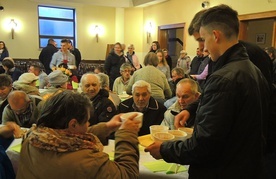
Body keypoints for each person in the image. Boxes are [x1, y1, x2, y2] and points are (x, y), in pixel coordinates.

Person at [145, 5, 269, 179]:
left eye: (203, 39)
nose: (203, 48)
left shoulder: (224, 78)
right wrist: (193, 108)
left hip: (223, 170)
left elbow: (205, 144)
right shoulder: (251, 69)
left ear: (215, 36)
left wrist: (164, 149)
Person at [17, 90, 141, 179]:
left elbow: (65, 138)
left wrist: (107, 127)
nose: (88, 124)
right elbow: (127, 174)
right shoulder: (88, 160)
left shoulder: (32, 137)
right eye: (87, 120)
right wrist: (126, 133)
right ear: (73, 124)